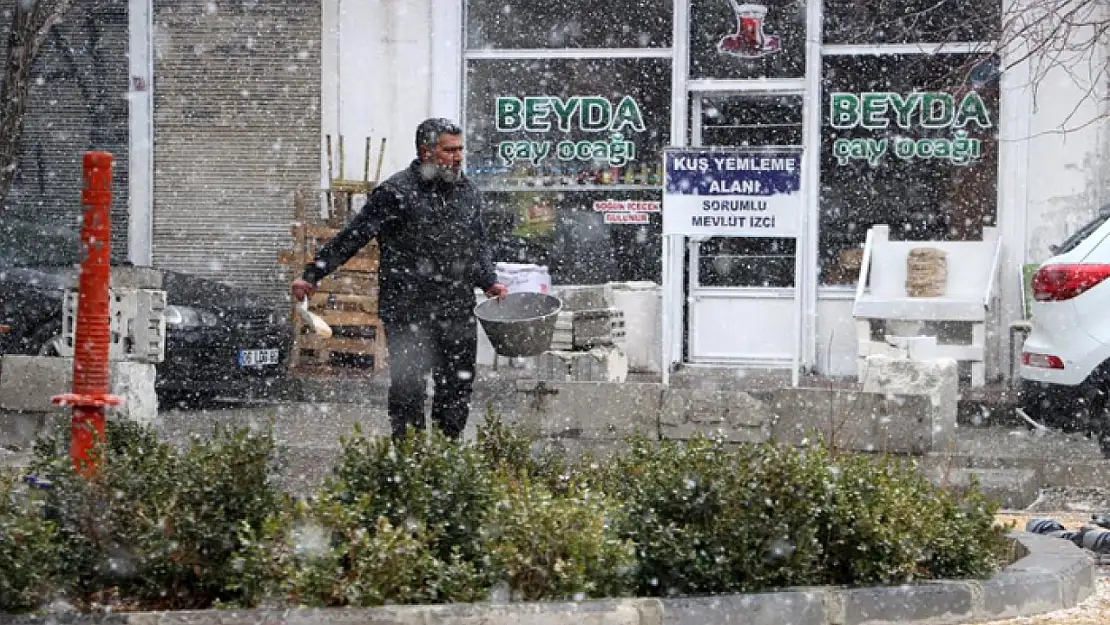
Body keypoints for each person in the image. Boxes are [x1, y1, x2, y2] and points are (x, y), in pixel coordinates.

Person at [291, 118, 508, 440]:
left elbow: (475, 245)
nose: (458, 157)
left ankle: (448, 457)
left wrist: (488, 280)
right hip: (408, 312)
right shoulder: (396, 193)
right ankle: (410, 461)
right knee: (409, 389)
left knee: (457, 388)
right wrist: (313, 274)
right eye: (450, 150)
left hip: (456, 310)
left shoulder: (466, 192)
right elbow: (353, 236)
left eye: (460, 149)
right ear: (426, 151)